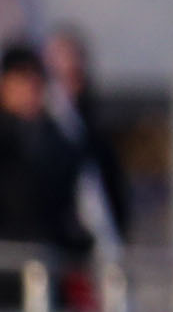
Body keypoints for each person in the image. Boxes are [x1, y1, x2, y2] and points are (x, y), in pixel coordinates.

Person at [0, 43, 95, 277]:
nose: (30, 87)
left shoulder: (60, 141)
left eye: (36, 78)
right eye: (22, 78)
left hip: (45, 268)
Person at [40, 27, 127, 257]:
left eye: (75, 74)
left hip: (95, 250)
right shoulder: (40, 130)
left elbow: (109, 194)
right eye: (60, 75)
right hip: (62, 253)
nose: (69, 85)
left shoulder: (91, 129)